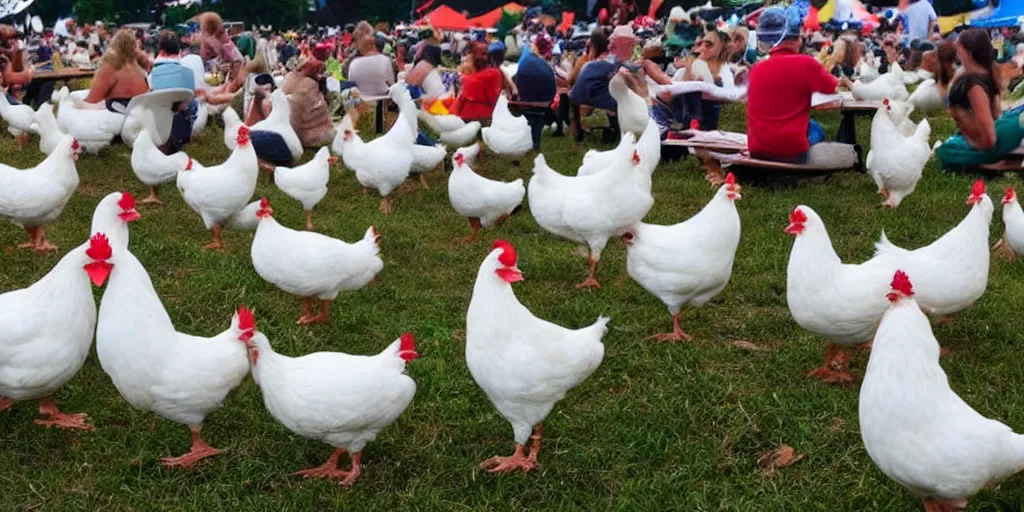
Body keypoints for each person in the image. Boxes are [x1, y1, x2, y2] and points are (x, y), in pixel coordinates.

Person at [746, 7, 852, 164]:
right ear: (798, 39)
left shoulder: (756, 69)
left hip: (757, 149)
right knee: (816, 129)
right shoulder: (806, 64)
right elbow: (832, 88)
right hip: (791, 152)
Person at [935, 29, 1024, 168]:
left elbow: (990, 140)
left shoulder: (973, 85)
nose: (957, 52)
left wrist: (977, 149)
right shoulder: (988, 71)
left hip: (993, 139)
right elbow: (996, 114)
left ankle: (998, 163)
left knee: (944, 151)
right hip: (1004, 126)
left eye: (960, 49)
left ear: (968, 53)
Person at [80, 29, 150, 112]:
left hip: (122, 118)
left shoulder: (111, 66)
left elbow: (92, 100)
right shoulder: (138, 68)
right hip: (141, 113)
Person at [449, 40, 513, 121]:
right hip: (471, 115)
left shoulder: (492, 73)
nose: (484, 57)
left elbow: (469, 84)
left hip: (475, 117)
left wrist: (462, 74)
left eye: (485, 54)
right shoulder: (491, 71)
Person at [514, 32, 558, 149]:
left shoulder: (527, 57)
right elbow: (553, 87)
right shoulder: (543, 64)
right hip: (544, 101)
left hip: (525, 100)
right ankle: (538, 139)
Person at [280, 58, 335, 147]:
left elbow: (294, 122)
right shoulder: (311, 85)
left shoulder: (303, 90)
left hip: (314, 136)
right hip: (326, 130)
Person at [347, 21, 395, 97]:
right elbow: (392, 83)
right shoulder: (385, 60)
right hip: (383, 102)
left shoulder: (353, 63)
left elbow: (351, 84)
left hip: (363, 105)